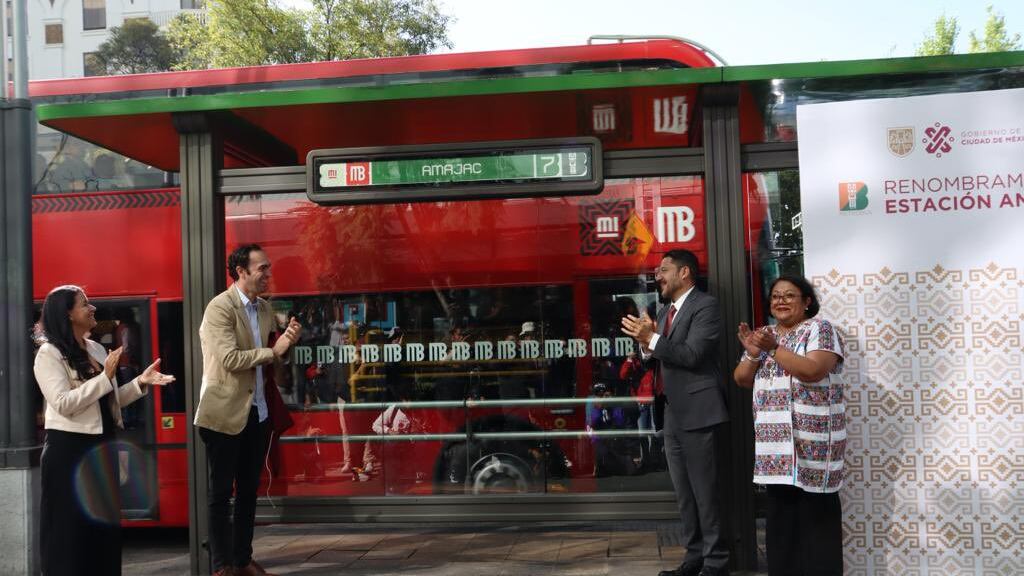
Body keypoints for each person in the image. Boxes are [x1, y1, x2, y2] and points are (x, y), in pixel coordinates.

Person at [33, 285, 174, 576]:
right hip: (68, 454)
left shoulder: (95, 348)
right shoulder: (48, 354)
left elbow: (106, 402)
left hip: (100, 450)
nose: (93, 308)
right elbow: (63, 404)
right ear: (68, 314)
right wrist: (106, 376)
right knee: (70, 535)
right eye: (85, 304)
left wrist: (139, 384)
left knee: (104, 532)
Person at [194, 244, 302, 576]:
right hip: (224, 414)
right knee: (220, 494)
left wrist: (286, 344)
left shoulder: (266, 309)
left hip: (259, 413)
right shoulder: (219, 309)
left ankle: (242, 559)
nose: (268, 274)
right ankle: (221, 565)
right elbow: (230, 360)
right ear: (241, 271)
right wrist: (274, 350)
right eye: (262, 269)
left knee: (248, 493)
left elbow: (271, 361)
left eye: (268, 268)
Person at [621, 249, 730, 576]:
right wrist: (645, 343)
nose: (658, 275)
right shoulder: (666, 310)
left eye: (664, 269)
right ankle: (694, 557)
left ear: (685, 273)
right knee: (685, 495)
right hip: (671, 413)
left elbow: (692, 354)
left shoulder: (705, 306)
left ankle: (716, 562)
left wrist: (651, 337)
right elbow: (655, 359)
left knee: (706, 494)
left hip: (699, 412)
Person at [733, 276, 846, 576]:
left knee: (817, 534)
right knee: (781, 533)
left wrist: (771, 349)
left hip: (813, 448)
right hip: (776, 450)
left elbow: (812, 370)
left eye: (789, 295)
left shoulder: (820, 329)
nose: (780, 301)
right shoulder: (766, 334)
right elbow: (742, 379)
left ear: (807, 301)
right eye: (775, 296)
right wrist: (752, 352)